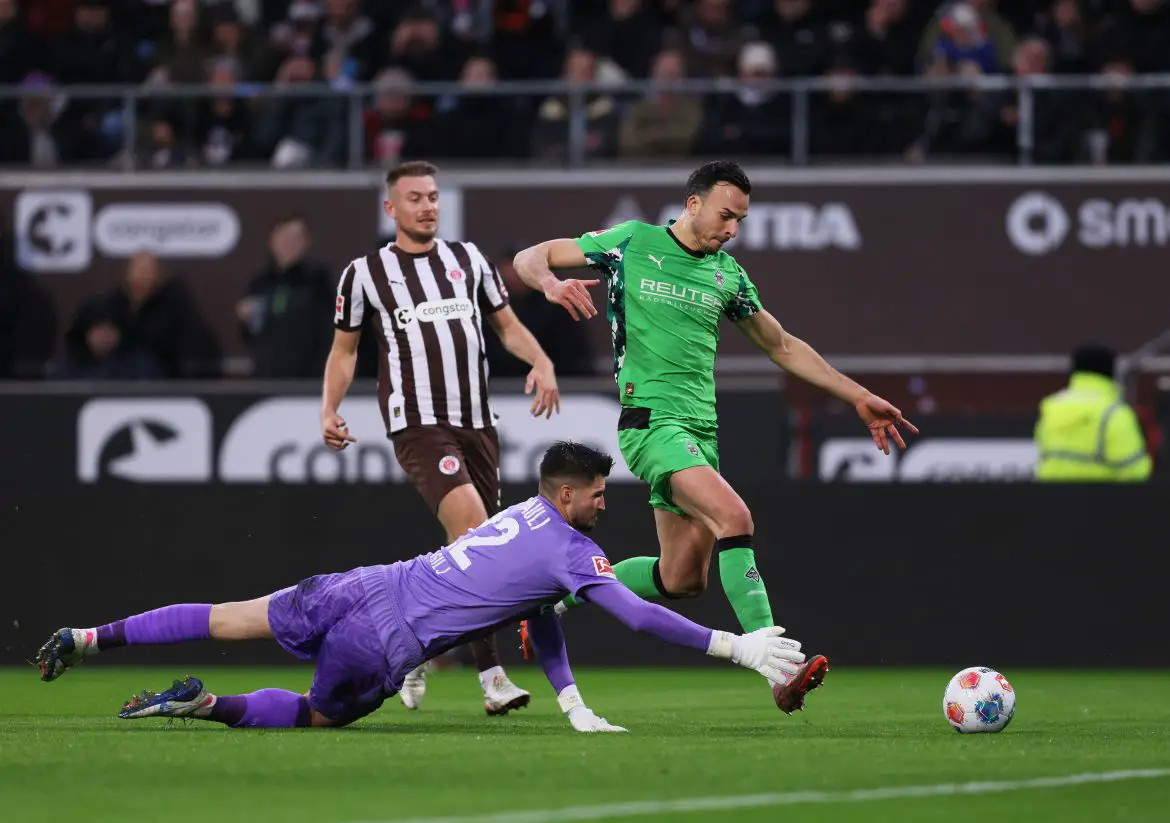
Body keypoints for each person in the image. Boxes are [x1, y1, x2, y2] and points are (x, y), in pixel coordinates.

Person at [512, 160, 919, 714]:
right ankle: (781, 669)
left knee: (680, 578)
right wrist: (550, 282)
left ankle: (556, 598)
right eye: (727, 215)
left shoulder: (728, 275)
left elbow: (782, 346)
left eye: (742, 220)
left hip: (702, 431)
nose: (732, 229)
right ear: (694, 203)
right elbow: (528, 257)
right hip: (651, 422)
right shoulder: (632, 242)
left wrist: (856, 395)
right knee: (736, 519)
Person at [35, 442, 808, 732]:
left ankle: (90, 635)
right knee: (313, 714)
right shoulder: (572, 549)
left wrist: (572, 702)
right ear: (567, 495)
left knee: (226, 615)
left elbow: (541, 614)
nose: (609, 504)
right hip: (386, 642)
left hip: (364, 581)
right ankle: (207, 705)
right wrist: (735, 645)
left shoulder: (522, 518)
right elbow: (638, 615)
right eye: (601, 494)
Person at [320, 160, 561, 716]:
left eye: (432, 197)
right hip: (418, 423)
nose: (427, 206)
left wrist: (542, 361)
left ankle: (411, 647)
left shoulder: (469, 259)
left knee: (474, 551)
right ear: (391, 208)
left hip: (476, 422)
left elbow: (506, 326)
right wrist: (329, 407)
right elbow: (345, 349)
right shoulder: (365, 274)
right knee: (477, 535)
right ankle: (492, 676)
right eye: (414, 198)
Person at [1033, 344, 1153, 482]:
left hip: (1050, 500)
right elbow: (1135, 471)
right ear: (1111, 372)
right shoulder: (1114, 413)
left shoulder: (1051, 408)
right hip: (1101, 500)